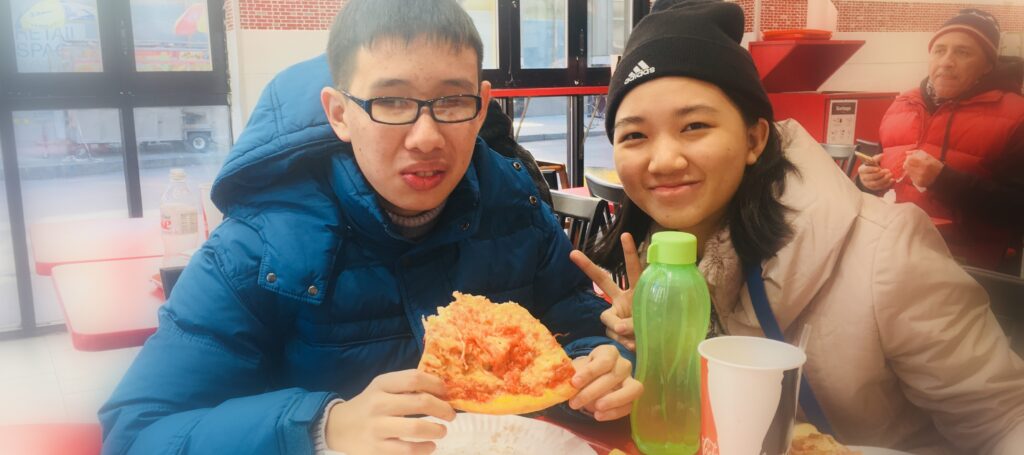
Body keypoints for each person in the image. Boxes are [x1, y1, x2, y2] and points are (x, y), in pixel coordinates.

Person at [99, 1, 641, 454]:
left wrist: (603, 368)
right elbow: (137, 430)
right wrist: (322, 426)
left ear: (480, 110)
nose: (426, 136)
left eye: (452, 101)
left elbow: (582, 335)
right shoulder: (257, 247)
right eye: (392, 101)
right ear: (339, 113)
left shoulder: (518, 212)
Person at [569, 1, 1024, 453]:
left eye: (694, 125)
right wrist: (653, 350)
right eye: (634, 135)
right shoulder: (666, 263)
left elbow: (1006, 420)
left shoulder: (885, 253)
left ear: (754, 138)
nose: (664, 160)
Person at [858, 8, 1024, 271]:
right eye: (939, 50)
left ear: (988, 65)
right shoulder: (902, 104)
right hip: (893, 254)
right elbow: (876, 169)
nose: (946, 61)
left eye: (963, 52)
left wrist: (944, 180)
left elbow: (1016, 209)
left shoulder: (1017, 115)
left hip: (970, 270)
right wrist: (866, 181)